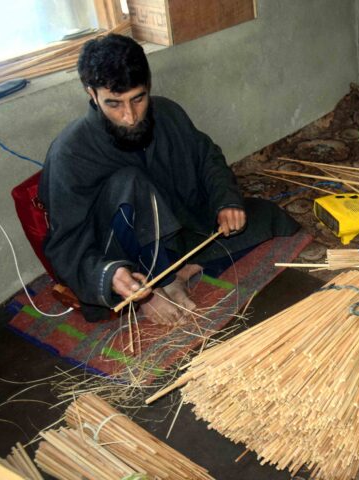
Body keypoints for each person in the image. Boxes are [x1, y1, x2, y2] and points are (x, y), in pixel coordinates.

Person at [39, 34, 300, 324]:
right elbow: (65, 244)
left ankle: (181, 270)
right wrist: (110, 274)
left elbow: (207, 158)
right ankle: (154, 290)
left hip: (175, 230)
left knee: (268, 218)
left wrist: (225, 201)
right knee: (130, 182)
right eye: (114, 104)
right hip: (120, 256)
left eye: (138, 98)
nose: (130, 117)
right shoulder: (70, 152)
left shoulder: (166, 112)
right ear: (92, 94)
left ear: (147, 86)